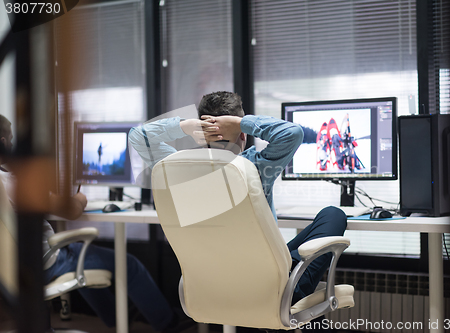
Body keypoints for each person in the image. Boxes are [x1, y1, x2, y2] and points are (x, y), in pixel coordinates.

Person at [129, 91, 347, 306]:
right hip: (268, 284)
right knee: (333, 214)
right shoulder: (254, 166)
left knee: (289, 253)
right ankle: (293, 297)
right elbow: (292, 133)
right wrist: (241, 123)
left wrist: (184, 126)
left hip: (212, 286)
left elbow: (138, 136)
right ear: (243, 135)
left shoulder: (177, 167)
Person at [0, 114, 187, 333]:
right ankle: (169, 325)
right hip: (44, 263)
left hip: (10, 269)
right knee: (129, 264)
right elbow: (71, 211)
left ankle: (115, 318)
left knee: (85, 255)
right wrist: (80, 198)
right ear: (4, 144)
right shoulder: (11, 182)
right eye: (11, 141)